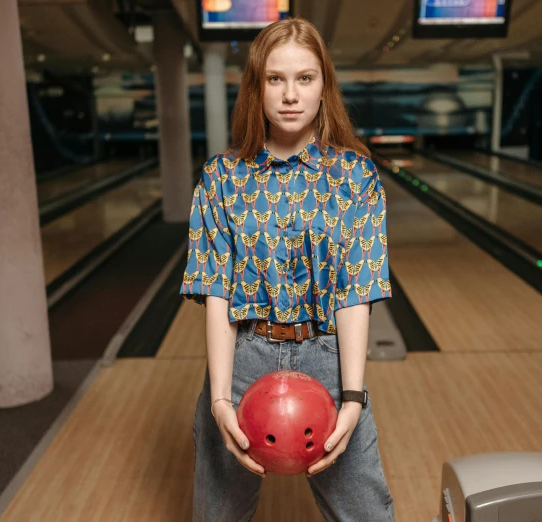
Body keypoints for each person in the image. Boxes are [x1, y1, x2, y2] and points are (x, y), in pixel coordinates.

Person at [180, 16, 395, 522]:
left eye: (305, 78)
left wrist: (352, 396)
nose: (291, 94)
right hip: (242, 362)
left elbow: (354, 292)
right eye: (275, 79)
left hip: (327, 358)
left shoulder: (354, 176)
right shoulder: (221, 178)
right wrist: (218, 400)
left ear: (325, 87)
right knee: (218, 516)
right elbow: (217, 294)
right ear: (256, 89)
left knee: (368, 514)